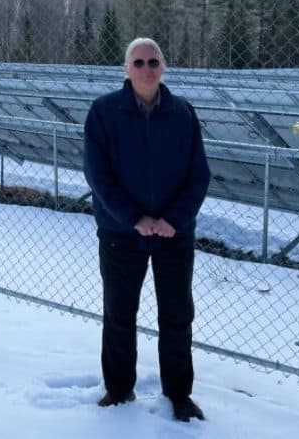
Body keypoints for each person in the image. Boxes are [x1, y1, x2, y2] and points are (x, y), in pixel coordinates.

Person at [82, 37, 210, 423]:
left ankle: (179, 393)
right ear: (126, 69)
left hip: (174, 234)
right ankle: (119, 388)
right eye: (138, 62)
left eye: (153, 61)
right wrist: (134, 218)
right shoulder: (105, 112)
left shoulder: (183, 113)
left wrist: (174, 220)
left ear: (164, 67)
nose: (146, 68)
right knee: (119, 313)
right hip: (123, 233)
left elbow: (198, 174)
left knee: (176, 316)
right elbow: (97, 174)